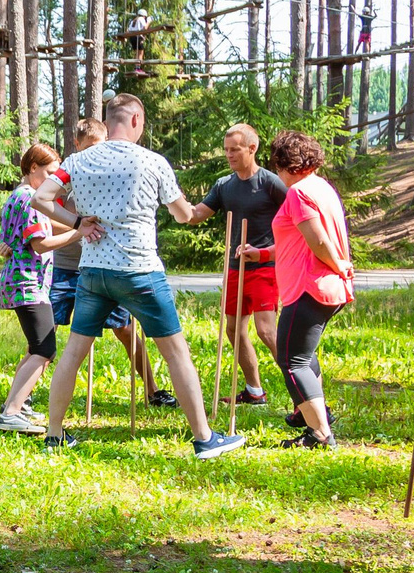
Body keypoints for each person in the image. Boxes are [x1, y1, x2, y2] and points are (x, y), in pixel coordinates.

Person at [41, 95, 249, 460]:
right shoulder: (152, 161)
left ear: (110, 121)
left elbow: (41, 198)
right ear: (136, 119)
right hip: (140, 271)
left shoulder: (77, 161)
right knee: (175, 353)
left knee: (73, 352)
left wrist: (78, 222)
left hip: (93, 272)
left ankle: (54, 435)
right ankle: (204, 438)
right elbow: (184, 215)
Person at [36, 118, 162, 407]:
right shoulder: (68, 175)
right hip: (67, 268)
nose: (95, 152)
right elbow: (47, 221)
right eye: (88, 146)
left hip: (105, 265)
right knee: (47, 332)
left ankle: (153, 390)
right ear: (77, 145)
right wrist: (78, 226)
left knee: (125, 329)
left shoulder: (115, 174)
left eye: (100, 146)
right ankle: (25, 394)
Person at [267, 130, 354, 448]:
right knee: (303, 354)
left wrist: (338, 263)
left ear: (284, 163)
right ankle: (311, 413)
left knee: (292, 359)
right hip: (320, 285)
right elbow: (297, 240)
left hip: (311, 285)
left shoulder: (299, 192)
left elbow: (317, 239)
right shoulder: (322, 187)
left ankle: (319, 434)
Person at [0, 144, 85, 433]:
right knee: (45, 349)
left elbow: (43, 227)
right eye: (47, 173)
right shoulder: (30, 199)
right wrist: (78, 233)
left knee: (38, 347)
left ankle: (14, 404)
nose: (51, 181)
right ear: (32, 168)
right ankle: (11, 412)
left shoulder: (19, 196)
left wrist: (78, 223)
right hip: (27, 283)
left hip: (22, 282)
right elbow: (40, 243)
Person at [201, 123, 287, 408]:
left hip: (264, 267)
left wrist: (266, 252)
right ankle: (254, 391)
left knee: (266, 332)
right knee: (233, 330)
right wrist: (175, 203)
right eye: (226, 150)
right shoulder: (224, 185)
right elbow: (198, 213)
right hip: (235, 268)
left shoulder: (271, 183)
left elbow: (294, 218)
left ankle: (304, 392)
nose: (229, 155)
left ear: (253, 148)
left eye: (235, 150)